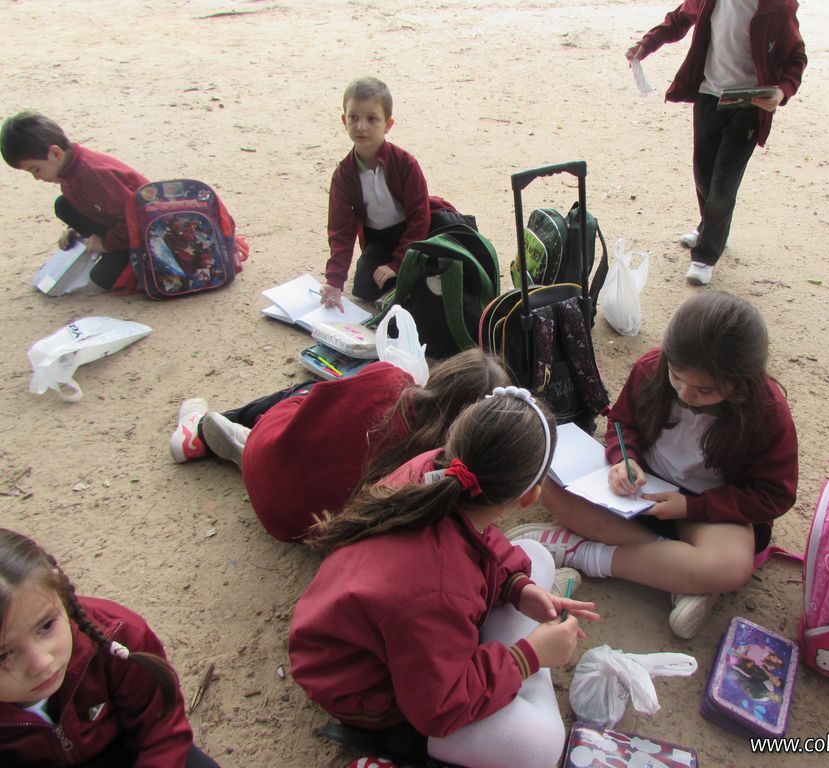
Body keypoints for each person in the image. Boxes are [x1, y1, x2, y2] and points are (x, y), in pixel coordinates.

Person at [289, 388, 599, 768]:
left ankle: (510, 669)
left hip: (398, 629)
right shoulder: (438, 589)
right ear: (530, 497)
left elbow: (481, 536)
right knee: (542, 746)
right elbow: (437, 708)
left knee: (534, 558)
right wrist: (527, 657)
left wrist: (518, 588)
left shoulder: (438, 470)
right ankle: (518, 677)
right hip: (368, 690)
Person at [507, 291, 798, 639]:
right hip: (638, 493)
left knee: (732, 565)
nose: (685, 394)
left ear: (741, 382)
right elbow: (621, 423)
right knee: (549, 480)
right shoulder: (652, 368)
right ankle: (680, 575)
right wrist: (625, 459)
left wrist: (691, 506)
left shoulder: (766, 412)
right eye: (677, 377)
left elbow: (774, 495)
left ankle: (582, 552)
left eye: (704, 391)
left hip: (707, 511)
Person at [168, 348, 510, 542]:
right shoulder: (444, 469)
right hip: (299, 524)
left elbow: (323, 407)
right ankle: (240, 444)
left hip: (271, 462)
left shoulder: (388, 378)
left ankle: (203, 431)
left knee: (305, 392)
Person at [0, 528, 219, 767]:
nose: (42, 663)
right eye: (3, 655)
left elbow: (161, 729)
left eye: (47, 625)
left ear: (58, 589)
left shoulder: (117, 635)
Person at [625, 1, 807, 286]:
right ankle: (711, 227)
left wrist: (782, 92)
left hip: (749, 103)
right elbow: (678, 20)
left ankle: (705, 256)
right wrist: (646, 45)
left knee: (725, 181)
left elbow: (796, 57)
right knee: (704, 174)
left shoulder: (777, 6)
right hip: (709, 95)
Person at [323, 76, 469, 305]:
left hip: (419, 229)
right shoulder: (344, 176)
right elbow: (340, 231)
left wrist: (398, 263)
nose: (361, 126)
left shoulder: (405, 164)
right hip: (380, 239)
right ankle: (410, 282)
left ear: (388, 124)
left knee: (450, 251)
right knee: (365, 286)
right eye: (353, 117)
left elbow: (419, 217)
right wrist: (335, 281)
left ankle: (414, 277)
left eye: (372, 119)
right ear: (344, 120)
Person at [1, 111, 149, 290]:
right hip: (121, 227)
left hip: (147, 236)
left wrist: (106, 244)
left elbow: (136, 218)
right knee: (63, 205)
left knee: (104, 278)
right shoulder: (68, 171)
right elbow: (92, 207)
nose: (37, 178)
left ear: (55, 153)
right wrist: (76, 232)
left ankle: (132, 263)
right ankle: (117, 253)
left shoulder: (92, 175)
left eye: (36, 169)